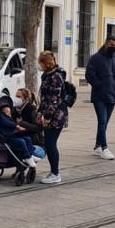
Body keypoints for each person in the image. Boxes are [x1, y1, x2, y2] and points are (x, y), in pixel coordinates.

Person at [85, 37, 115, 160]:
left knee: (105, 122)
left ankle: (97, 145)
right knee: (102, 121)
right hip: (99, 95)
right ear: (106, 44)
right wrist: (99, 85)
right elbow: (89, 74)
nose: (113, 47)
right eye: (112, 44)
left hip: (113, 94)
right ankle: (104, 148)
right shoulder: (95, 58)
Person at [37, 51, 69, 183]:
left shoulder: (55, 77)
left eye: (41, 63)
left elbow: (53, 100)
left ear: (46, 63)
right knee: (49, 143)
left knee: (50, 143)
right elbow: (44, 98)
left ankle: (55, 173)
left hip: (56, 116)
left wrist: (48, 117)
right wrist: (39, 112)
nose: (40, 66)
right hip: (50, 114)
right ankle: (53, 172)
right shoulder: (47, 76)